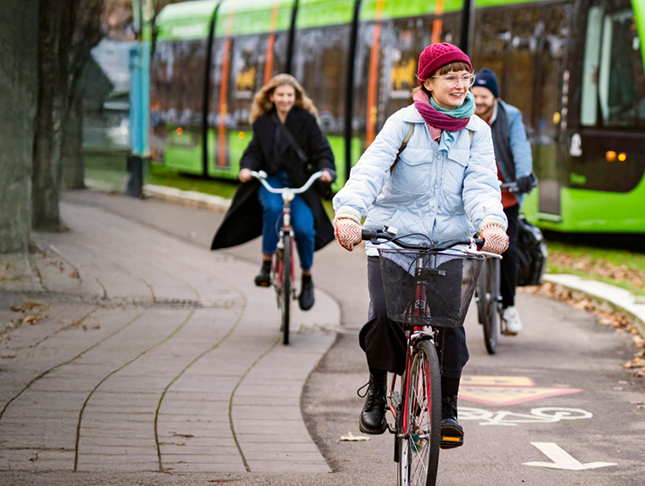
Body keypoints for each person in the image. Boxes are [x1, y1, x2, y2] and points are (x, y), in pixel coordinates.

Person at [332, 43, 511, 449]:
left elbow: (482, 185)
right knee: (383, 318)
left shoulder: (476, 131)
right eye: (450, 76)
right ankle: (378, 387)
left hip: (449, 241)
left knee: (452, 324)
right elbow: (369, 172)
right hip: (393, 239)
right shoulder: (404, 124)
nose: (461, 85)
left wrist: (491, 223)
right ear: (427, 82)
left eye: (465, 77)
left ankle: (447, 405)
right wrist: (348, 215)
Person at [211, 74, 337, 310]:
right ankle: (267, 264)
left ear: (295, 97)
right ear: (271, 96)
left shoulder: (307, 120)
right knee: (272, 208)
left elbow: (321, 149)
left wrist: (327, 170)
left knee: (303, 228)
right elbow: (254, 151)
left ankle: (307, 277)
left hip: (299, 183)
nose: (285, 99)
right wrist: (247, 168)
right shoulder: (263, 123)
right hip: (272, 180)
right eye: (280, 94)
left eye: (289, 95)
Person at [470, 68, 538, 335]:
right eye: (474, 95)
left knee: (507, 249)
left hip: (505, 191)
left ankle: (508, 306)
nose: (479, 101)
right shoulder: (463, 114)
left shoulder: (510, 117)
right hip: (473, 193)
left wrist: (523, 176)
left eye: (484, 96)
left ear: (495, 98)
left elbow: (521, 148)